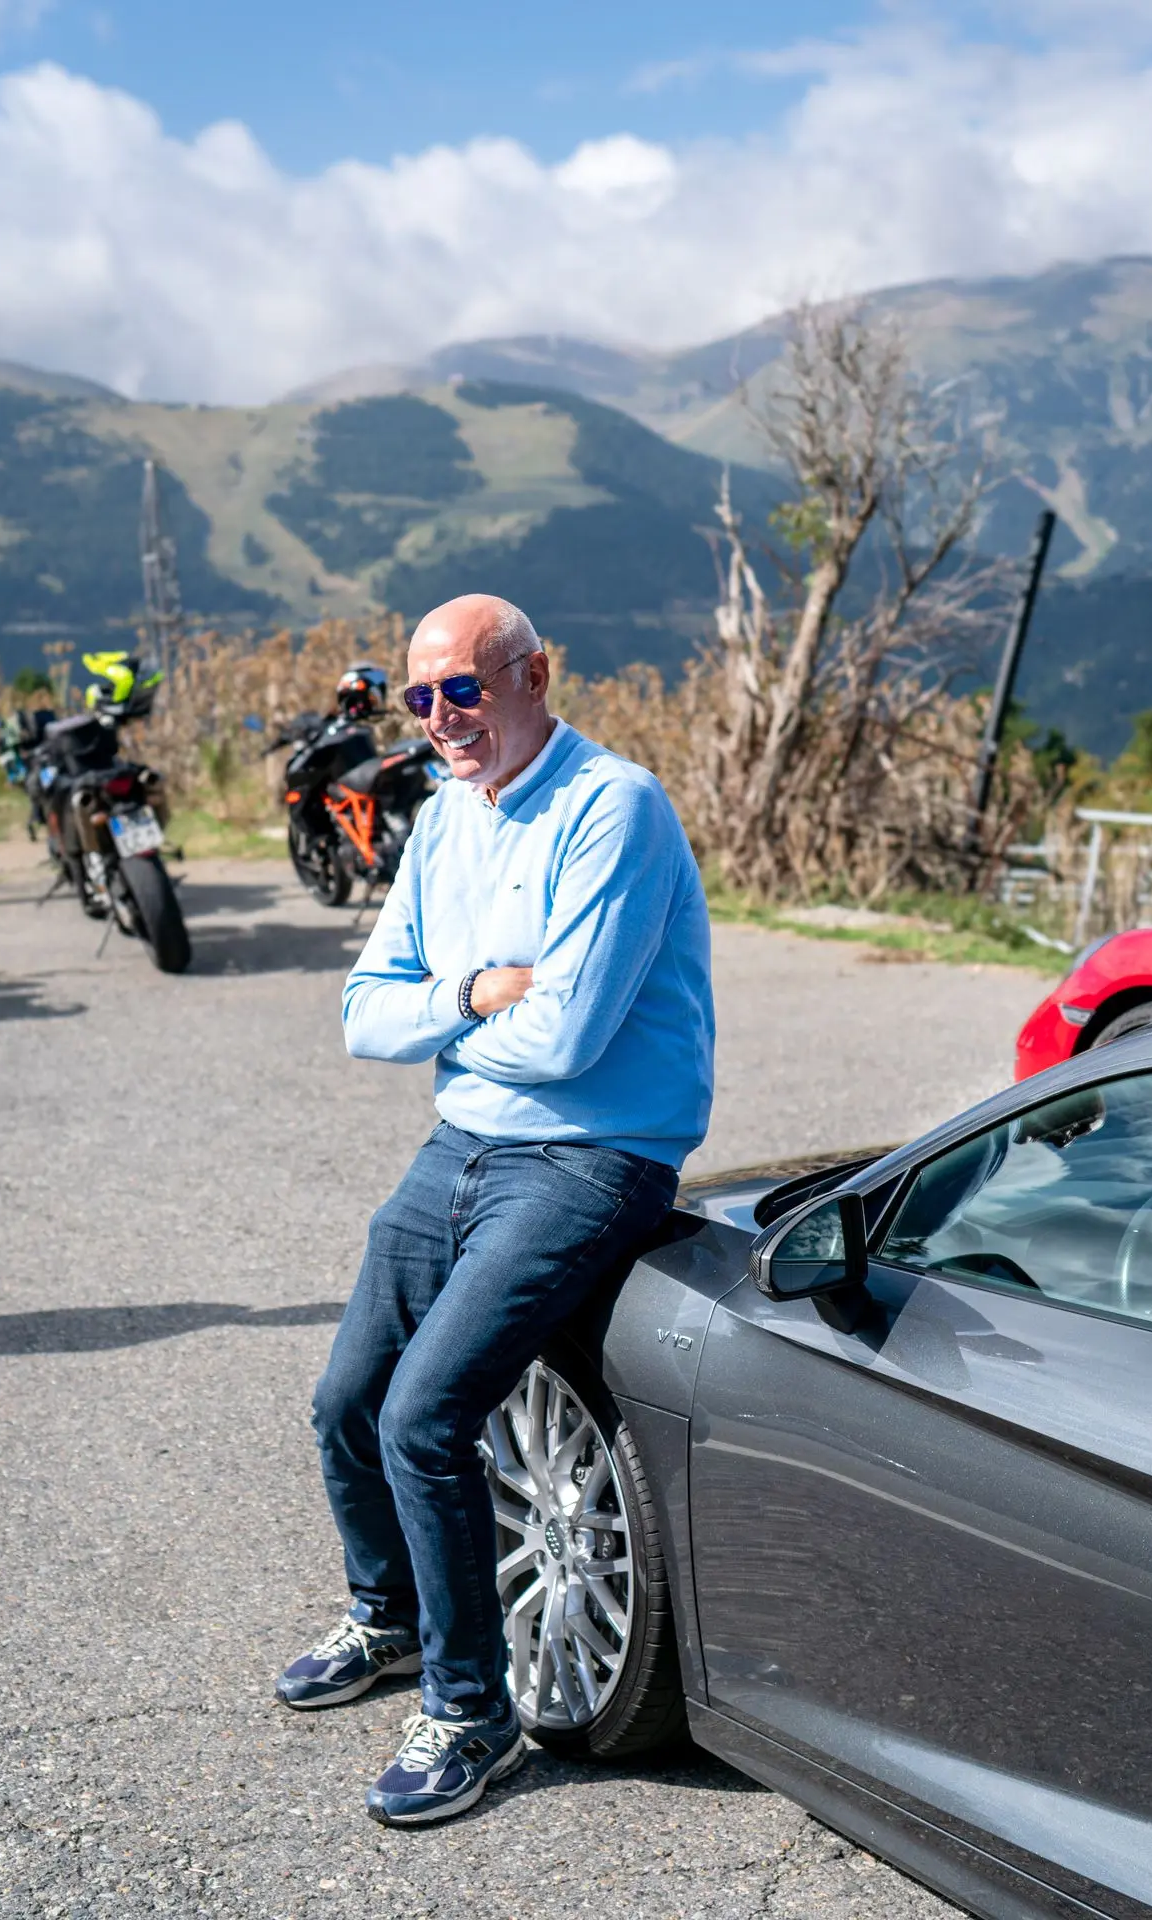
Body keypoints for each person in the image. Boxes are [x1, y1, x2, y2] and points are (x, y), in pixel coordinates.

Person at [274, 593, 715, 1827]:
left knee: (424, 1414)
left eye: (462, 688)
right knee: (346, 1400)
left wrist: (453, 1025)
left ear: (533, 674)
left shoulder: (613, 806)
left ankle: (471, 1714)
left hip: (591, 1157)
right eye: (420, 697)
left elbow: (570, 1042)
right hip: (461, 1142)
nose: (439, 717)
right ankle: (389, 1618)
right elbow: (363, 1015)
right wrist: (473, 995)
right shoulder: (443, 816)